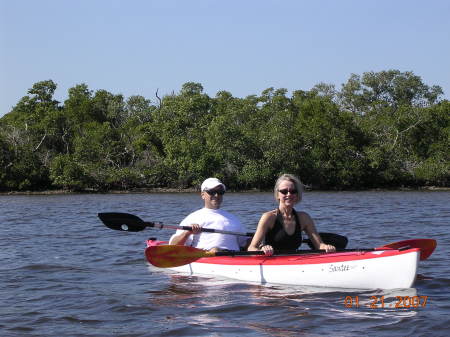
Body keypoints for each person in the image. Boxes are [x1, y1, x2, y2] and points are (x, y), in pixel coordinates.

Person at [248, 174, 336, 256]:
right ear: (277, 194)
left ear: (297, 195)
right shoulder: (268, 217)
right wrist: (262, 249)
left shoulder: (304, 218)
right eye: (284, 191)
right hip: (272, 263)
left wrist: (326, 247)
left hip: (295, 262)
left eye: (293, 191)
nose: (289, 194)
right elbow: (251, 248)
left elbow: (319, 245)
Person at [169, 178, 248, 252]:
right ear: (203, 195)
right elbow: (172, 246)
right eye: (212, 192)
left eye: (220, 192)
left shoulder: (233, 219)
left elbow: (245, 243)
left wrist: (259, 245)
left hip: (233, 257)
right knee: (215, 249)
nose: (216, 195)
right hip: (206, 258)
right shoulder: (192, 218)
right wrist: (187, 233)